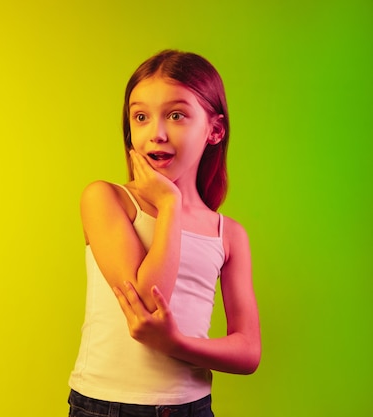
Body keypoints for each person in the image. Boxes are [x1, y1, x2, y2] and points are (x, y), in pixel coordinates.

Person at [68, 50, 261, 417]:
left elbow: (248, 351)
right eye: (140, 117)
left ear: (214, 130)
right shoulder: (106, 199)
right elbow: (147, 302)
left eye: (176, 115)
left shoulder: (229, 234)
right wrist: (170, 206)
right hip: (104, 407)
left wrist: (176, 343)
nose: (155, 134)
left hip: (190, 408)